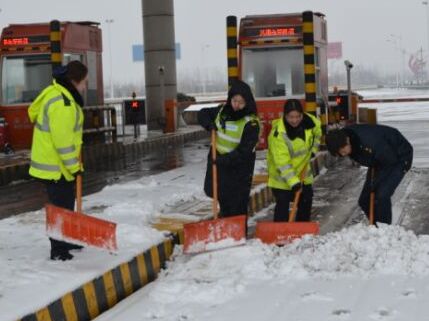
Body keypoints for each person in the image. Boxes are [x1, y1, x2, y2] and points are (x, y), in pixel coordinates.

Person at [28, 60, 88, 261]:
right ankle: (58, 251)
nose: (85, 86)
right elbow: (62, 142)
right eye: (84, 82)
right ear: (75, 80)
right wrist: (75, 168)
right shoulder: (63, 103)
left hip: (56, 165)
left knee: (64, 205)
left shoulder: (58, 94)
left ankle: (66, 240)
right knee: (60, 208)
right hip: (55, 166)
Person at [325, 124, 413, 225]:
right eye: (340, 153)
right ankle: (376, 226)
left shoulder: (369, 142)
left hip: (398, 157)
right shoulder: (342, 138)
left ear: (348, 140)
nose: (343, 154)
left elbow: (389, 162)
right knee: (364, 200)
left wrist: (375, 183)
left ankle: (384, 230)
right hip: (377, 159)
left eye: (343, 150)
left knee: (381, 195)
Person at [198, 80, 260, 217]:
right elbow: (202, 113)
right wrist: (209, 125)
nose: (236, 105)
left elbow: (244, 152)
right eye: (234, 100)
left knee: (237, 205)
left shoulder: (251, 123)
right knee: (220, 196)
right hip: (220, 164)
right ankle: (225, 229)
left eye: (241, 102)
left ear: (247, 102)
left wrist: (222, 160)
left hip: (239, 170)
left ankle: (237, 235)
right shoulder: (222, 111)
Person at [267, 99, 321, 222]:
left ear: (302, 114)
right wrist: (294, 182)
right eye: (291, 117)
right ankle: (280, 234)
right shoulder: (278, 135)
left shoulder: (310, 123)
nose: (295, 120)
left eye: (298, 116)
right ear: (285, 116)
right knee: (283, 204)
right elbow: (282, 162)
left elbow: (318, 132)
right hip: (282, 178)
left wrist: (314, 149)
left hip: (302, 173)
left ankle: (301, 229)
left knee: (306, 200)